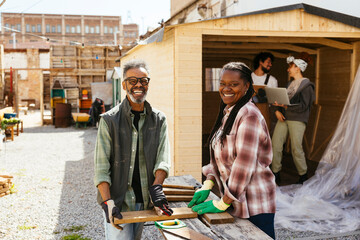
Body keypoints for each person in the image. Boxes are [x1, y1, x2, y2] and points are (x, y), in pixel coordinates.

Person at [188, 62, 276, 239]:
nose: (226, 88)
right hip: (234, 201)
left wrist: (223, 203)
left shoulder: (249, 116)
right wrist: (209, 183)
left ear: (246, 86)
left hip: (255, 205)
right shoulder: (231, 112)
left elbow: (243, 164)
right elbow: (222, 158)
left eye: (233, 84)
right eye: (223, 83)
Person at [94, 60, 172, 240]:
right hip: (118, 201)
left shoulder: (159, 119)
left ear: (148, 84)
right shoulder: (108, 121)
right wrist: (108, 202)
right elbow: (101, 167)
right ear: (124, 85)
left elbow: (163, 157)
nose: (139, 85)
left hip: (144, 200)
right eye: (133, 80)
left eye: (144, 81)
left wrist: (157, 189)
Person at [271, 52, 315, 185]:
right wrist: (277, 111)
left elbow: (304, 106)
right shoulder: (289, 84)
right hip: (283, 118)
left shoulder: (307, 85)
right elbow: (280, 100)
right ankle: (275, 173)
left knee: (296, 148)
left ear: (298, 68)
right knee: (276, 144)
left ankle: (303, 175)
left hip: (297, 119)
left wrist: (285, 106)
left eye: (290, 67)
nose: (288, 69)